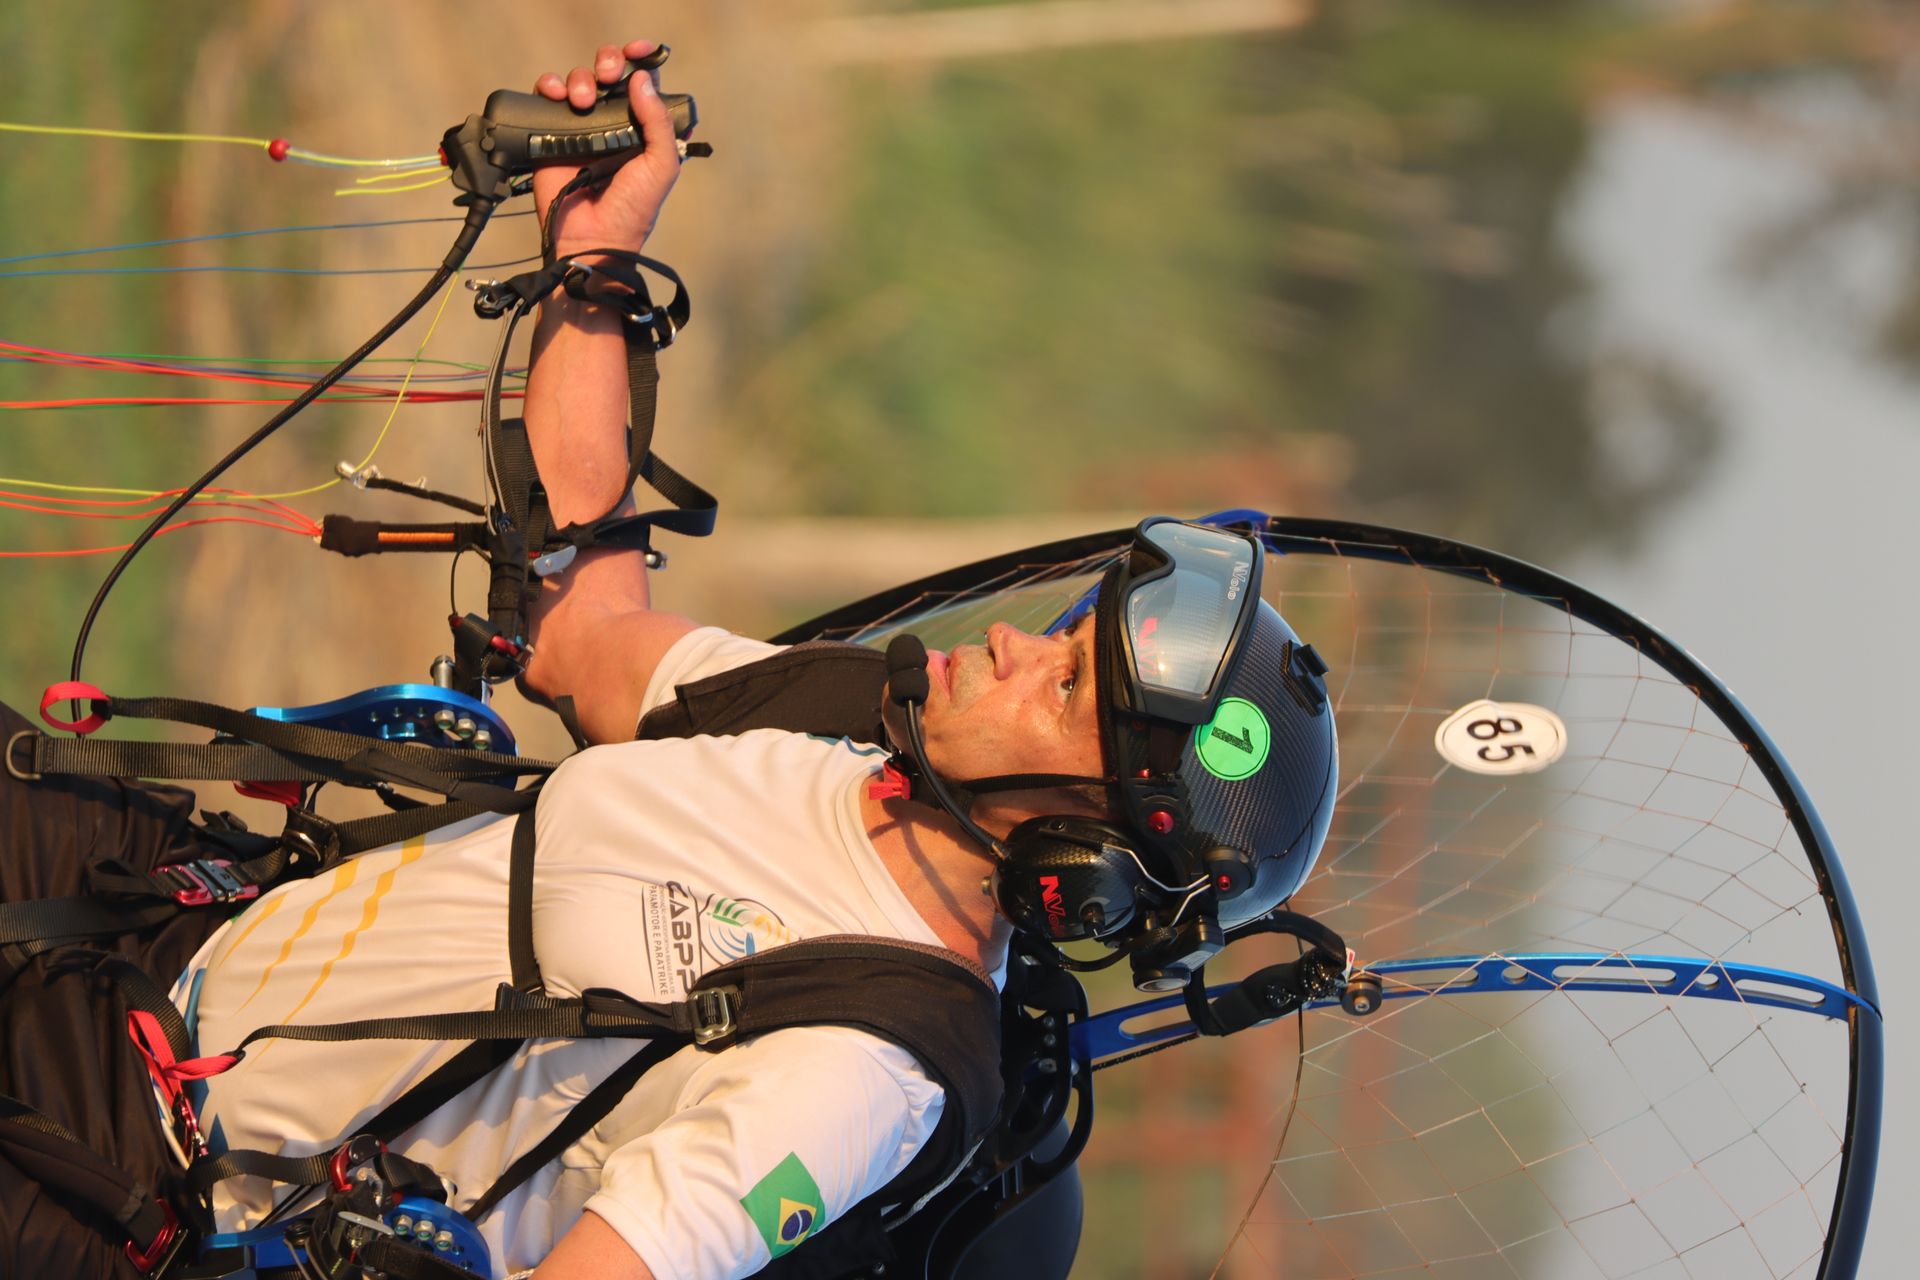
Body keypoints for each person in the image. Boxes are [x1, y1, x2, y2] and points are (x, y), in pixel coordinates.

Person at [1, 38, 1339, 1280]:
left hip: (137, 1179)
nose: (1009, 646)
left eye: (1064, 687)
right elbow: (584, 632)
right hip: (156, 921)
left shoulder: (865, 1063)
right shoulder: (854, 724)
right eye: (1061, 638)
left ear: (1083, 852)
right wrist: (597, 257)